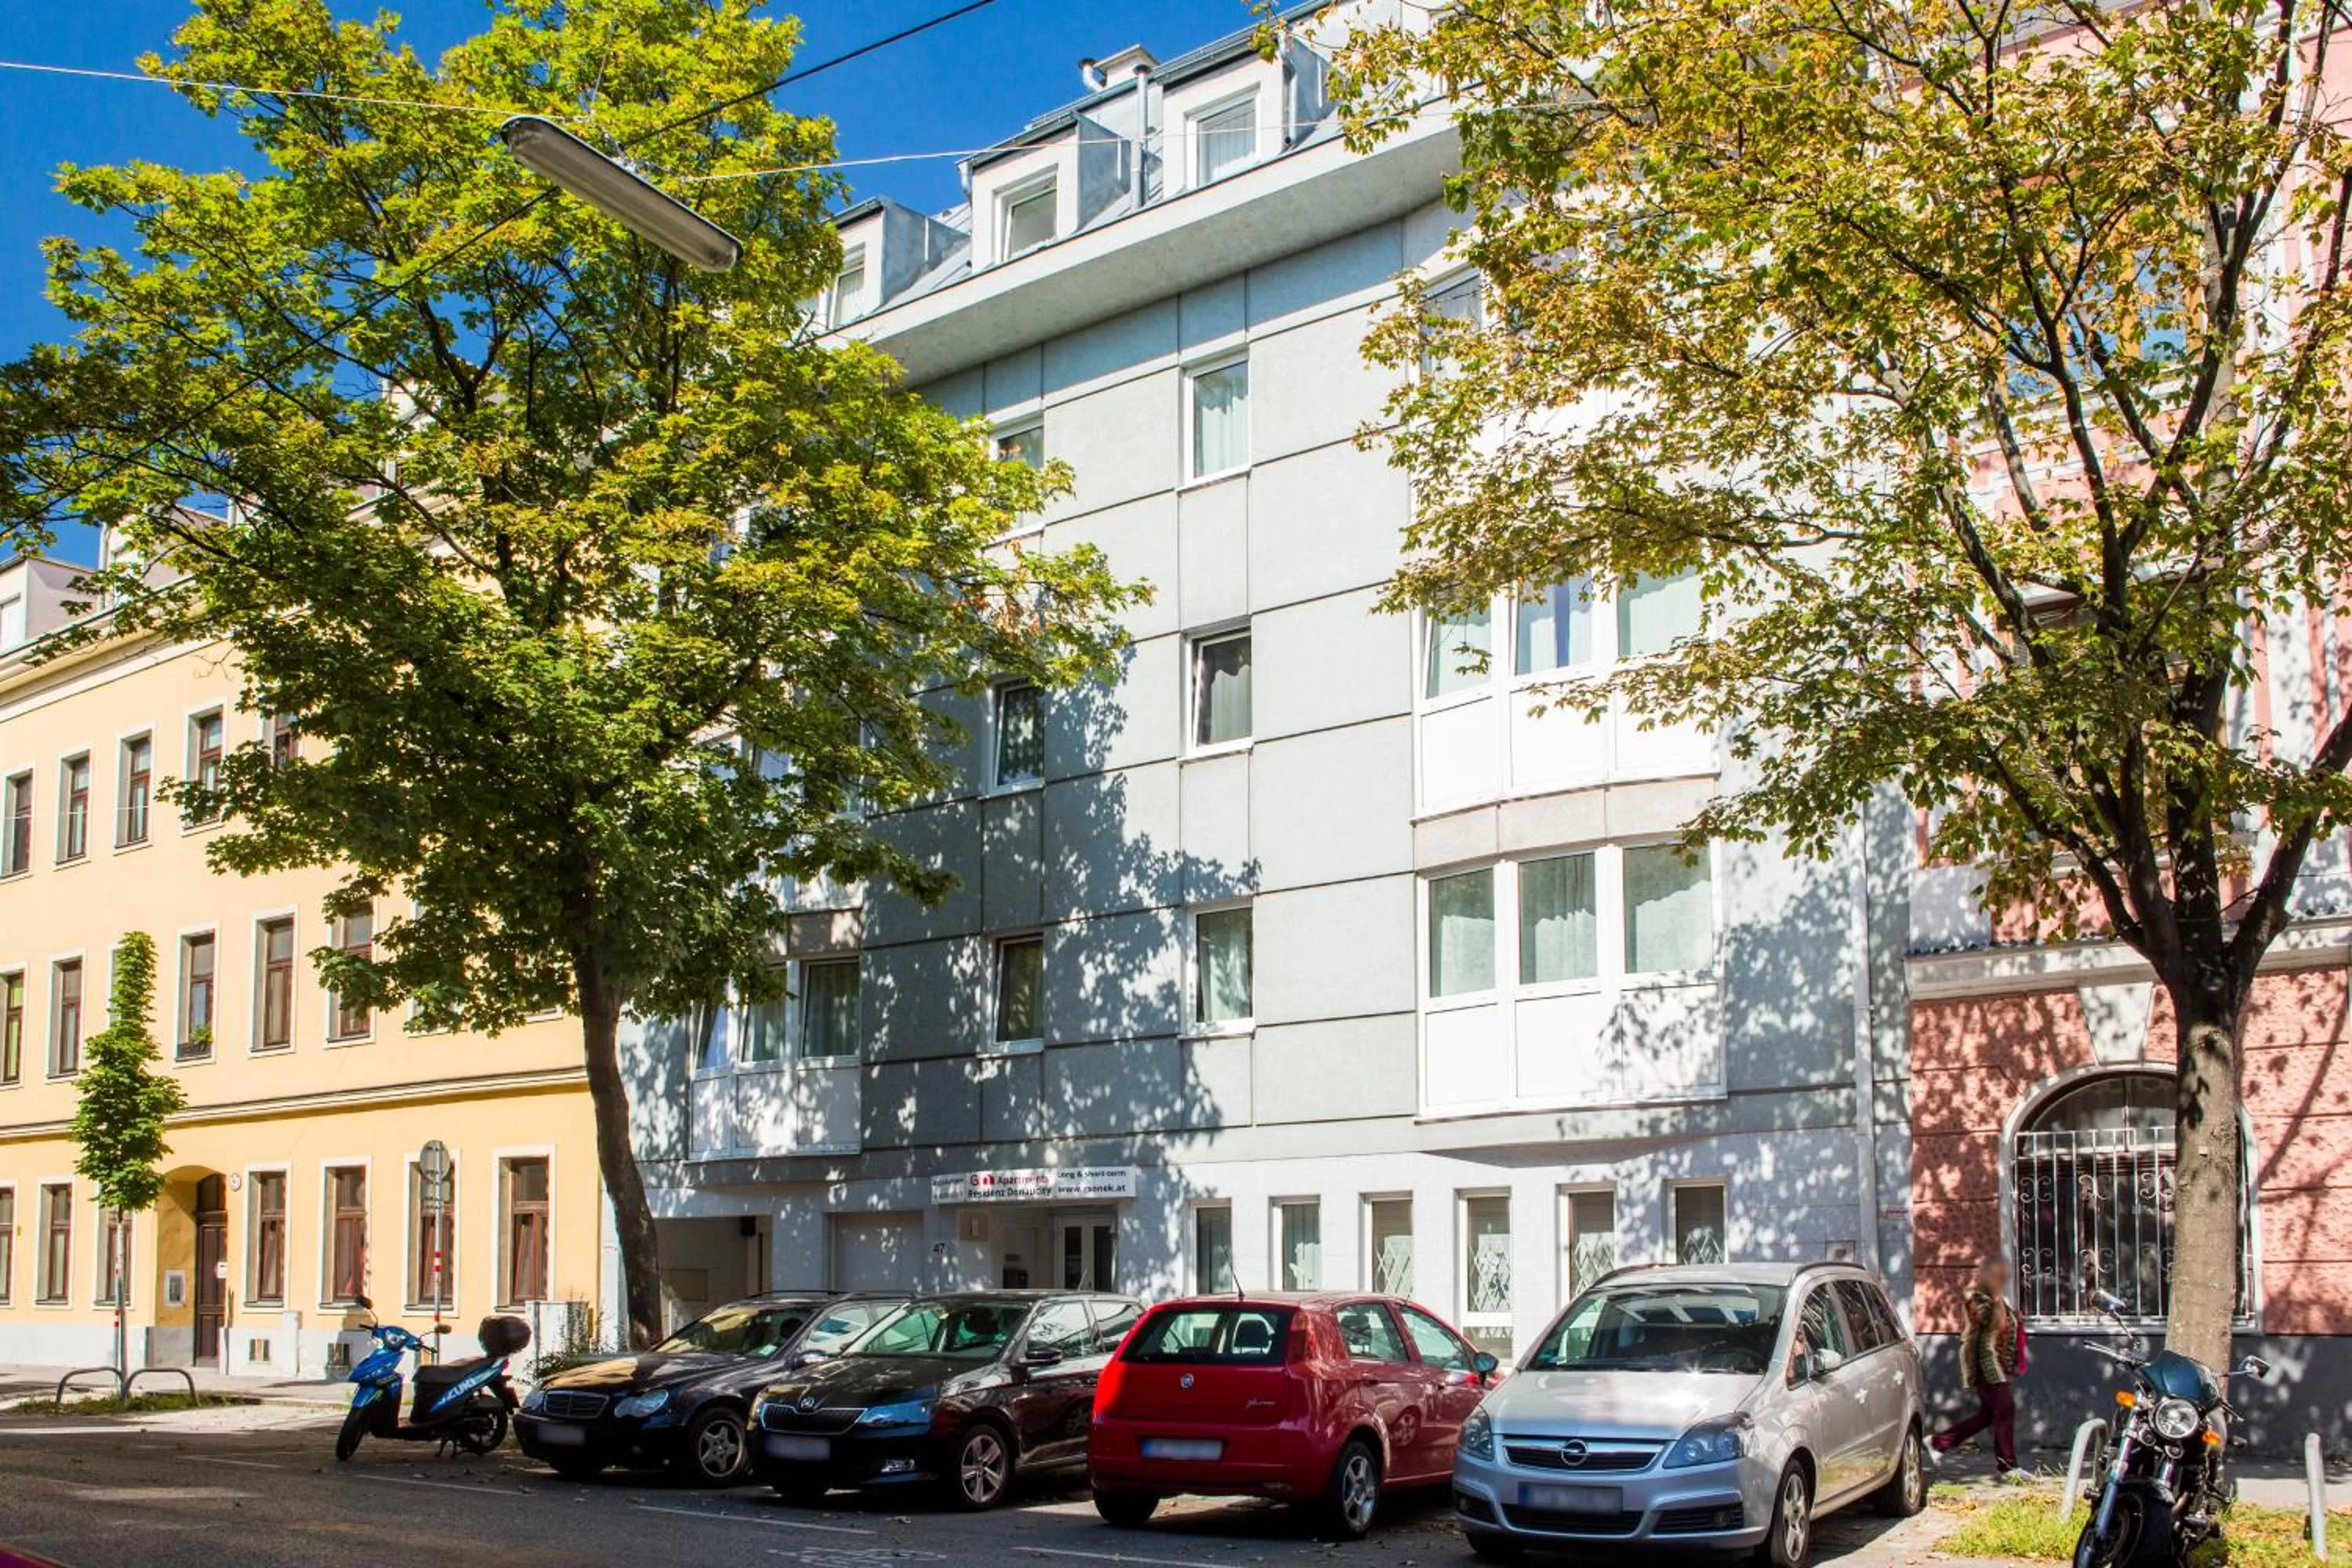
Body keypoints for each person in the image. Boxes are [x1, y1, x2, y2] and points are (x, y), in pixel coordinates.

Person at [1932, 1258, 2026, 1480]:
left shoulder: (1997, 1299)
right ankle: (2008, 1466)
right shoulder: (1977, 1299)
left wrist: (2016, 1317)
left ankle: (1939, 1443)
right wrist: (1999, 1304)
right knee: (2004, 1411)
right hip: (1987, 1365)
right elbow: (1987, 1321)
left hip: (2000, 1365)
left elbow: (2006, 1325)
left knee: (1988, 1415)